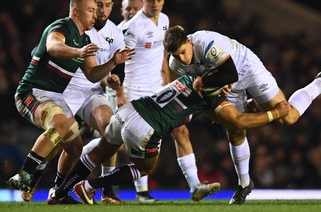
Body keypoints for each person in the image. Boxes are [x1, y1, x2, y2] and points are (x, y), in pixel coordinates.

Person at [163, 25, 321, 204]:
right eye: (176, 55)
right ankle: (244, 184)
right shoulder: (176, 65)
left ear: (189, 42)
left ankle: (320, 83)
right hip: (224, 82)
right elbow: (205, 96)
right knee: (234, 129)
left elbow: (230, 73)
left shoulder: (205, 43)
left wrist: (204, 81)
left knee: (289, 117)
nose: (182, 58)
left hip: (246, 70)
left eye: (183, 51)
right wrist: (211, 87)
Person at [47, 73, 291, 205]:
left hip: (128, 112)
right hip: (145, 127)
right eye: (226, 85)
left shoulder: (185, 78)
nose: (228, 88)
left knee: (98, 152)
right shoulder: (212, 97)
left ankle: (59, 193)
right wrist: (273, 113)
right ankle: (90, 186)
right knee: (145, 167)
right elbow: (233, 121)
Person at [6, 0, 133, 204]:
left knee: (75, 147)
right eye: (91, 10)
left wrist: (113, 62)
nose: (96, 15)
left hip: (56, 97)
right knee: (61, 123)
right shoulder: (61, 27)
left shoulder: (84, 39)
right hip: (32, 92)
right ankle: (26, 173)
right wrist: (78, 52)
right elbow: (53, 47)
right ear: (76, 11)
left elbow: (93, 74)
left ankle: (58, 193)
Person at [121, 0, 217, 202]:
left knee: (181, 130)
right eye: (150, 0)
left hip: (159, 89)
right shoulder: (132, 28)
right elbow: (118, 62)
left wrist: (166, 83)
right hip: (135, 90)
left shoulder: (164, 21)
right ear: (142, 1)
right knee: (128, 143)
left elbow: (163, 57)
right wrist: (119, 94)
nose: (155, 4)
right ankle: (136, 191)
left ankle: (195, 186)